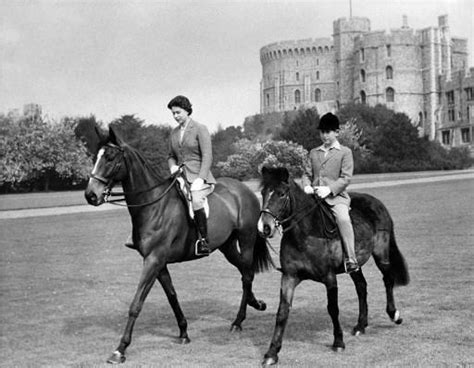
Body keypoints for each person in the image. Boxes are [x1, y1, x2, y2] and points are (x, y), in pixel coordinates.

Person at [302, 112, 360, 273]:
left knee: (343, 219)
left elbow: (346, 178)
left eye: (328, 132)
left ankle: (351, 259)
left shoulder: (345, 152)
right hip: (314, 197)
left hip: (336, 198)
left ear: (336, 132)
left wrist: (329, 189)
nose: (324, 135)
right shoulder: (314, 152)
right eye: (322, 132)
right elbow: (306, 174)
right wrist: (306, 185)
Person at [167, 95, 216, 256]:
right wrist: (173, 166)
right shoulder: (173, 133)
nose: (175, 116)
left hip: (199, 176)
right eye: (173, 113)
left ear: (187, 111)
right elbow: (170, 155)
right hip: (180, 175)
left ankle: (204, 241)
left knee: (196, 199)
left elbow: (207, 156)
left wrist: (201, 178)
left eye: (178, 112)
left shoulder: (199, 128)